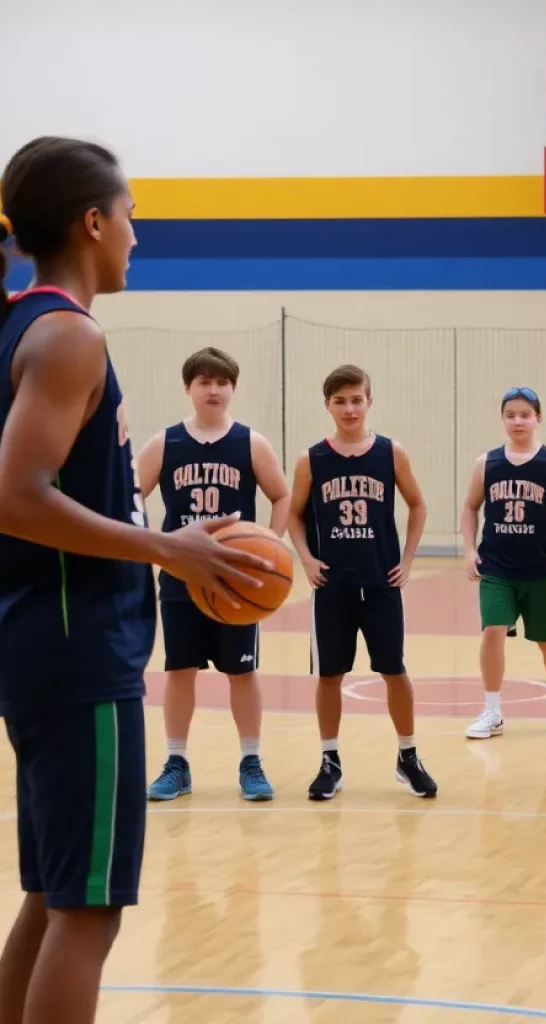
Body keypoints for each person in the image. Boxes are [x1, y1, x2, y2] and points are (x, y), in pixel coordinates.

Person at [0, 137, 268, 1024]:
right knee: (88, 910)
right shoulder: (69, 335)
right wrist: (168, 550)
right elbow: (15, 497)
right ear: (92, 221)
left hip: (41, 641)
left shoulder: (19, 319)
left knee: (53, 895)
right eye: (130, 217)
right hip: (79, 652)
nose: (136, 237)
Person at [137, 347, 291, 800]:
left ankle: (250, 761)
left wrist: (271, 543)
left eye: (222, 382)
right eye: (204, 382)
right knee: (180, 669)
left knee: (241, 672)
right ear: (188, 388)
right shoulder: (165, 443)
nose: (214, 389)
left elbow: (282, 496)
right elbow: (131, 495)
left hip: (237, 580)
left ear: (233, 389)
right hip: (182, 574)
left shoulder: (251, 442)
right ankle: (176, 762)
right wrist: (155, 546)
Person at [287, 364, 437, 800]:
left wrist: (408, 560)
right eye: (340, 401)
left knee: (394, 669)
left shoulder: (391, 453)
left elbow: (418, 504)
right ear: (327, 405)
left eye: (357, 399)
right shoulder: (311, 459)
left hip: (380, 582)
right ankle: (330, 760)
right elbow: (295, 514)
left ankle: (408, 757)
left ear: (369, 402)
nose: (349, 408)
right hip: (331, 585)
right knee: (329, 673)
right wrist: (306, 558)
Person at [461, 386, 546, 739]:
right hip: (497, 568)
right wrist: (470, 550)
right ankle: (492, 711)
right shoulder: (486, 464)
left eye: (525, 414)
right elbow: (470, 507)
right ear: (502, 420)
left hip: (541, 570)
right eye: (511, 414)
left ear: (538, 418)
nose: (518, 421)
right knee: (492, 632)